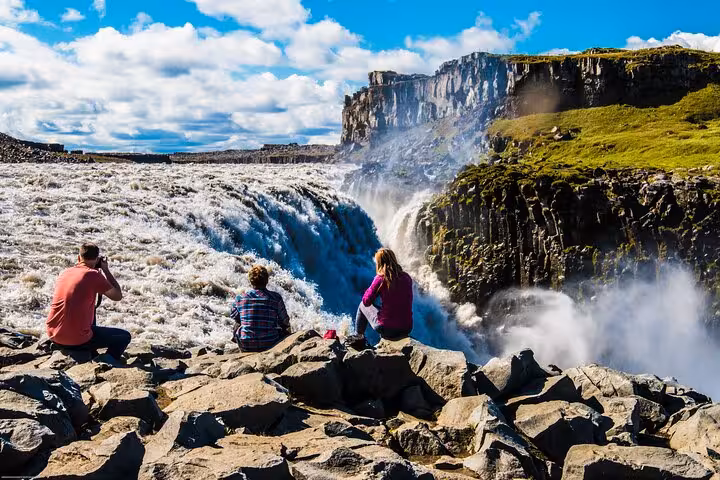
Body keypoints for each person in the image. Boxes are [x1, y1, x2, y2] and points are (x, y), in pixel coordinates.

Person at [46, 243, 129, 360]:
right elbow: (117, 296)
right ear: (96, 259)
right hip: (76, 341)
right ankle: (107, 361)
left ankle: (91, 352)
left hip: (53, 336)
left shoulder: (65, 273)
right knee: (124, 336)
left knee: (89, 307)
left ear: (79, 257)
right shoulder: (94, 275)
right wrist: (105, 270)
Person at [353, 248, 413, 342]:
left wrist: (370, 289)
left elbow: (366, 301)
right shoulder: (407, 277)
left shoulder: (380, 278)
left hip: (387, 329)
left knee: (362, 305)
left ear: (380, 263)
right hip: (406, 327)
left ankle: (358, 337)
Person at [231, 265, 291, 352]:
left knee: (238, 321)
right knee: (283, 325)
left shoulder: (240, 298)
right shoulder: (276, 297)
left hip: (246, 344)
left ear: (251, 281)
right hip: (270, 343)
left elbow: (233, 315)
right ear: (267, 280)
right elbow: (285, 321)